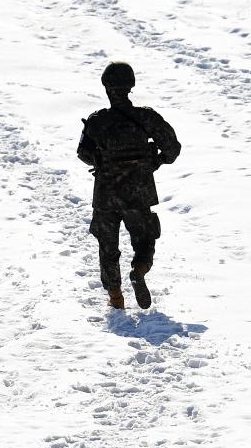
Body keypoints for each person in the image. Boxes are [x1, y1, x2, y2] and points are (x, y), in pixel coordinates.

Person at [77, 62, 181, 310]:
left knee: (107, 247)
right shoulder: (147, 117)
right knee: (145, 240)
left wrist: (103, 162)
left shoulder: (97, 121)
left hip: (106, 196)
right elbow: (172, 148)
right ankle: (139, 270)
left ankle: (116, 299)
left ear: (106, 88)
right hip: (140, 193)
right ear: (131, 86)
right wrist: (153, 162)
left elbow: (83, 153)